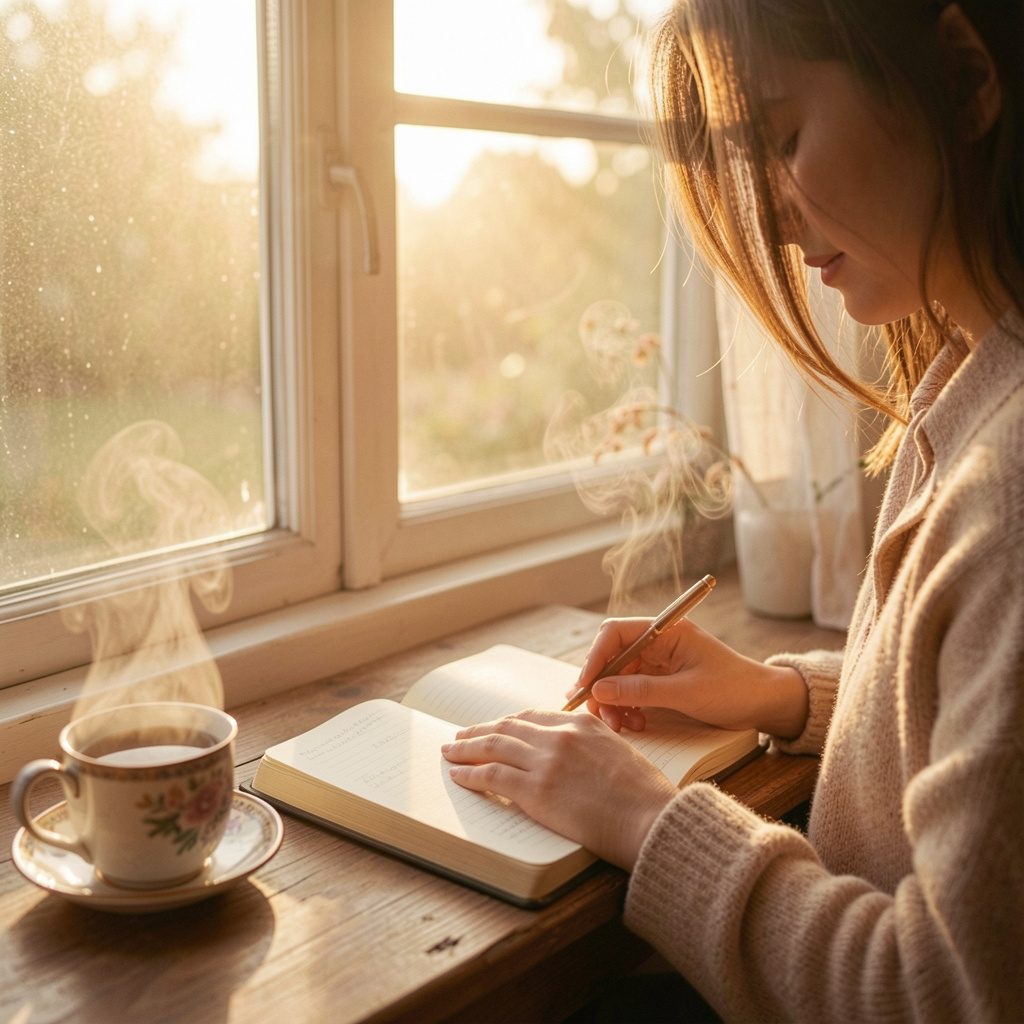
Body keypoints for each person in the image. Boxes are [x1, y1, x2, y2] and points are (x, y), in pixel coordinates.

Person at [442, 0, 1024, 1020]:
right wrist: (779, 696)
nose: (767, 212)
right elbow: (974, 716)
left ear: (966, 79)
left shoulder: (1007, 490)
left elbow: (939, 992)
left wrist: (643, 815)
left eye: (783, 138)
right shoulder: (971, 384)